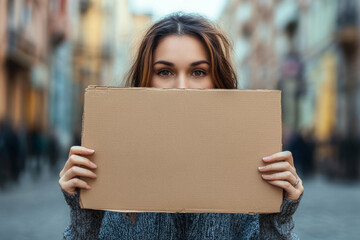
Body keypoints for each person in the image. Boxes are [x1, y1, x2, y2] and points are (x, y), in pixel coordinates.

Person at [59, 12, 304, 239]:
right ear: (145, 80)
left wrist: (277, 217)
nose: (182, 86)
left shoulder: (249, 166)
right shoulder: (111, 166)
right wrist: (84, 212)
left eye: (198, 72)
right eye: (165, 71)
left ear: (217, 81)